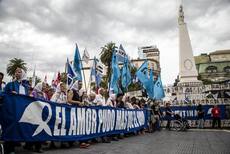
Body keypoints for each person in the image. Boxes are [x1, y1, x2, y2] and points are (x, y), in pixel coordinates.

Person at [4, 67, 29, 154]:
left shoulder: (25, 87)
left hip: (21, 111)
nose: (17, 73)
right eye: (16, 72)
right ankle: (8, 149)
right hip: (12, 111)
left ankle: (15, 144)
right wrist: (11, 94)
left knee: (18, 127)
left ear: (22, 74)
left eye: (19, 72)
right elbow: (4, 94)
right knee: (11, 127)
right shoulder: (10, 84)